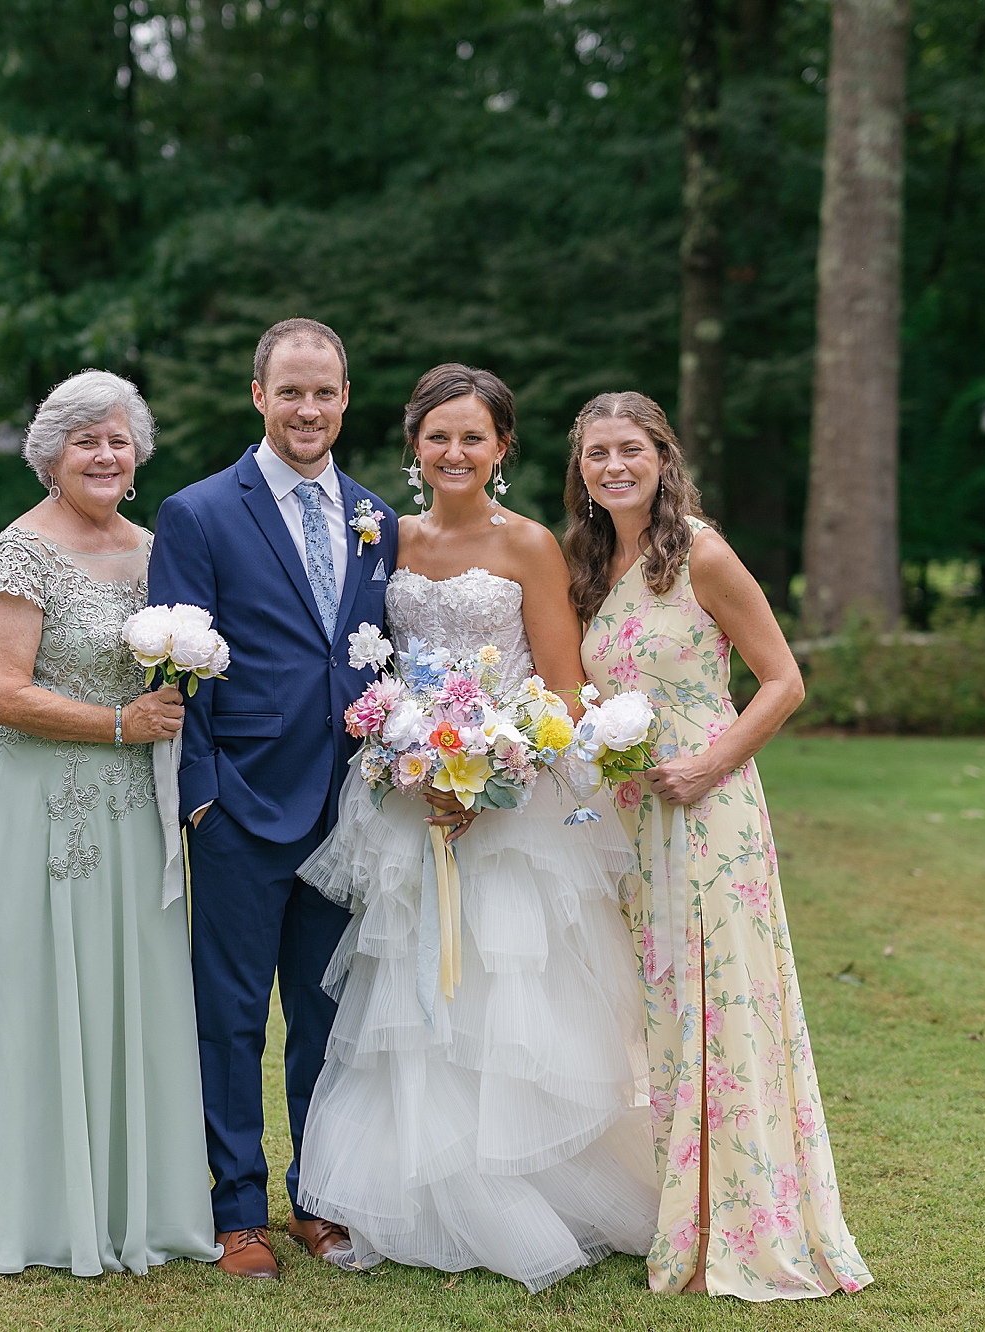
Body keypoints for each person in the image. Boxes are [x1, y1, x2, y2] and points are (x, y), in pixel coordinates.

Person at [294, 364, 660, 1293]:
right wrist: (412, 758)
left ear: (502, 448)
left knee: (506, 993)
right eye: (438, 436)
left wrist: (491, 769)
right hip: (407, 799)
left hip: (509, 809)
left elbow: (563, 690)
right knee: (410, 999)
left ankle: (532, 1187)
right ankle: (419, 1193)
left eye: (473, 437)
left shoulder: (529, 543)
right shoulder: (386, 539)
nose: (454, 452)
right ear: (413, 445)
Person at [567, 391, 873, 1301]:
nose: (614, 467)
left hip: (710, 814)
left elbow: (783, 681)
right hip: (629, 819)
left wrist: (708, 764)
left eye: (630, 449)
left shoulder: (700, 552)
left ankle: (741, 1225)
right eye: (596, 453)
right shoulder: (589, 565)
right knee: (661, 1013)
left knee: (722, 1006)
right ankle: (677, 1212)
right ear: (580, 468)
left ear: (663, 457)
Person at [0, 370, 221, 1276]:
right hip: (42, 804)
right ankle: (42, 1211)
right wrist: (118, 724)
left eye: (117, 440)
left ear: (138, 456)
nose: (104, 455)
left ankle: (138, 1205)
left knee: (132, 988)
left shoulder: (157, 551)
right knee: (38, 988)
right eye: (84, 441)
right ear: (50, 457)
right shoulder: (18, 553)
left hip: (138, 808)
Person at [146, 318, 400, 1279]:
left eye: (324, 391)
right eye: (290, 391)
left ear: (346, 398)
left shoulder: (377, 517)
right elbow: (178, 663)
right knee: (231, 1016)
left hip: (351, 809)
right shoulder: (200, 512)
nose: (308, 408)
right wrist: (201, 796)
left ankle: (320, 1201)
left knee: (328, 1018)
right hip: (241, 806)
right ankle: (237, 1208)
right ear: (260, 396)